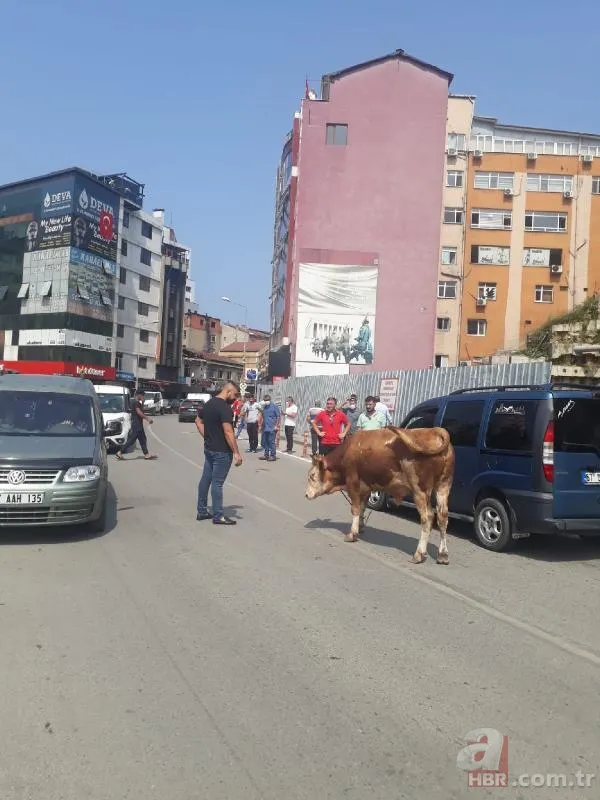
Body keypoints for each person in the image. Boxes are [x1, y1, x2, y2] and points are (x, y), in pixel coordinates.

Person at [195, 381, 242, 525]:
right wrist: (236, 452)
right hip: (222, 452)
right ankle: (218, 516)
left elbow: (198, 421)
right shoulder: (225, 408)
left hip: (209, 449)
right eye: (234, 395)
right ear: (228, 391)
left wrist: (207, 436)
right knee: (217, 483)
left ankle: (202, 511)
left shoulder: (208, 404)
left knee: (205, 480)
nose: (235, 398)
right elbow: (228, 431)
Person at [116, 390, 156, 460]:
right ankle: (120, 452)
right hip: (137, 424)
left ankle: (146, 454)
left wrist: (143, 403)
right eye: (142, 395)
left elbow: (140, 410)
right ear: (139, 395)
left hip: (137, 423)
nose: (143, 397)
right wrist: (147, 418)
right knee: (132, 440)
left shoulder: (134, 402)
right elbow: (139, 412)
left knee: (143, 439)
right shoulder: (136, 402)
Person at [259, 395, 280, 462]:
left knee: (271, 442)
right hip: (265, 427)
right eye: (265, 400)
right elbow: (263, 416)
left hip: (272, 427)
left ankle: (273, 455)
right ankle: (266, 454)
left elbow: (278, 417)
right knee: (265, 441)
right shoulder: (264, 407)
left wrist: (276, 426)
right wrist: (260, 426)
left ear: (270, 400)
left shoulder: (274, 407)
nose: (266, 401)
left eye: (267, 400)